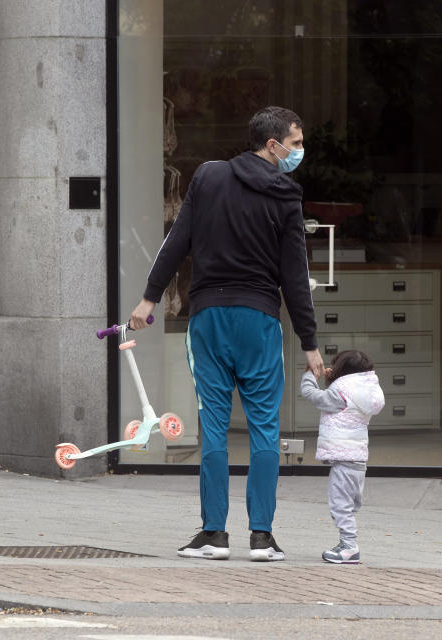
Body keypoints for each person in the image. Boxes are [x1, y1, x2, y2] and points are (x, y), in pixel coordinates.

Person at [129, 106, 325, 562]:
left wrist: (149, 298)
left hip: (209, 319)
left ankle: (213, 534)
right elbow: (295, 279)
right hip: (259, 321)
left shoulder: (208, 177)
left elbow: (177, 240)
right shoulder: (287, 196)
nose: (300, 151)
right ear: (272, 145)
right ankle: (262, 537)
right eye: (296, 143)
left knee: (213, 426)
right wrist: (311, 344)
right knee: (263, 427)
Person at [300, 350, 384, 564]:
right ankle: (346, 543)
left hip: (344, 462)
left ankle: (349, 547)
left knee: (340, 506)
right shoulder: (364, 391)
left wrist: (310, 374)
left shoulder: (341, 393)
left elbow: (311, 394)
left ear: (342, 371)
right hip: (358, 460)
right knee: (348, 505)